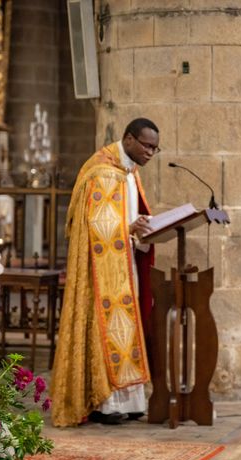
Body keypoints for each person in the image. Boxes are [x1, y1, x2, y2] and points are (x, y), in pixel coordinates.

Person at [51, 118, 160, 427]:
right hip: (103, 269)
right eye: (147, 146)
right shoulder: (101, 172)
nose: (151, 152)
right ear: (128, 140)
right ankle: (105, 402)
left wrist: (139, 229)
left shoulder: (128, 173)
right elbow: (96, 227)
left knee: (127, 327)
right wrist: (129, 228)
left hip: (124, 260)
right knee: (107, 330)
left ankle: (131, 399)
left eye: (155, 148)